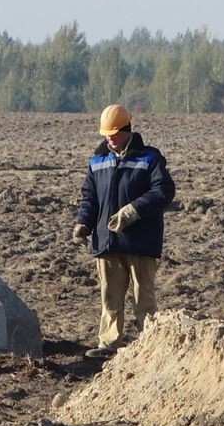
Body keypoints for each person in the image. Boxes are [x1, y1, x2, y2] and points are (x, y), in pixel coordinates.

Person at [73, 103, 176, 358]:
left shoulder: (149, 158)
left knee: (144, 297)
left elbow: (163, 190)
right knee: (110, 296)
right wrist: (84, 222)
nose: (109, 138)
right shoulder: (97, 161)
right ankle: (109, 343)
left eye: (114, 132)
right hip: (108, 242)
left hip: (141, 242)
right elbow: (90, 196)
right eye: (106, 133)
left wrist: (134, 210)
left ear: (127, 129)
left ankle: (149, 343)